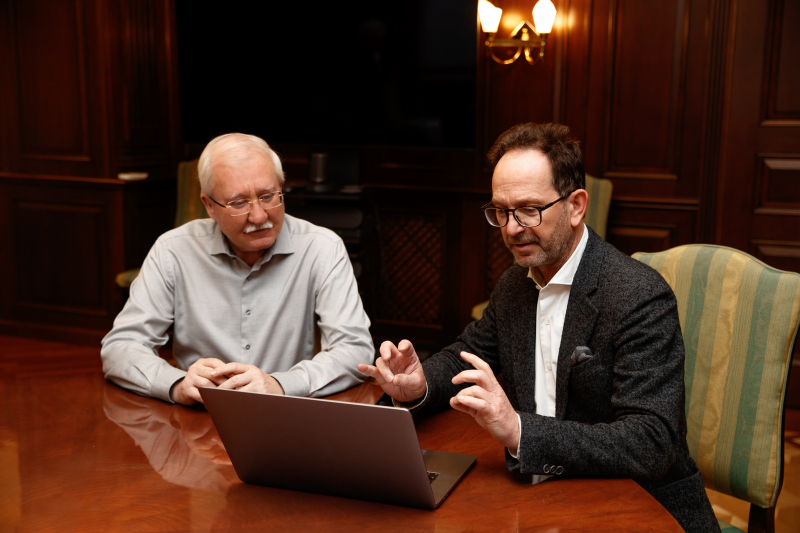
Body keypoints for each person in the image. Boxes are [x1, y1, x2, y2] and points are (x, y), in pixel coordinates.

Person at [358, 123, 719, 532]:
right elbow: (466, 355)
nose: (512, 228)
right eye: (501, 211)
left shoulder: (639, 295)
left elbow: (650, 443)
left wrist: (519, 431)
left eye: (529, 209)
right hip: (542, 501)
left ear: (576, 206)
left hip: (640, 508)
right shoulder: (514, 285)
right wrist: (419, 384)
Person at [102, 133, 374, 405]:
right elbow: (121, 346)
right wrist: (177, 384)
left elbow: (355, 349)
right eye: (238, 203)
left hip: (285, 411)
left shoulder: (322, 248)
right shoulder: (173, 250)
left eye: (268, 196)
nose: (259, 216)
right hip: (197, 414)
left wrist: (280, 384)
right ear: (209, 206)